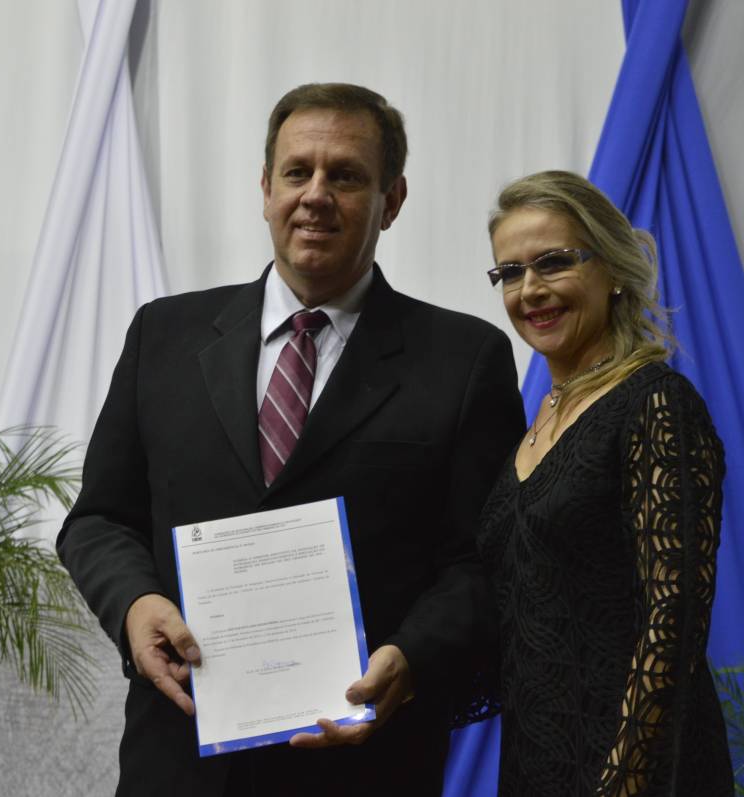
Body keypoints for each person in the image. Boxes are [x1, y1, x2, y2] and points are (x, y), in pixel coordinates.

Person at [57, 83, 526, 796]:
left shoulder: (463, 360)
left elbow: (483, 560)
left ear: (392, 200)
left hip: (368, 766)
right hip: (179, 762)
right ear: (265, 189)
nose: (315, 195)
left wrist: (413, 656)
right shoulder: (163, 336)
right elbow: (98, 520)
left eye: (346, 176)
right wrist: (134, 605)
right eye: (297, 171)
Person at [477, 170, 733, 795]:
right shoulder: (534, 424)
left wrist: (624, 780)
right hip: (536, 766)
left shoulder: (656, 403)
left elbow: (672, 625)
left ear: (612, 269)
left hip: (636, 772)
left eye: (554, 262)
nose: (530, 290)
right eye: (510, 272)